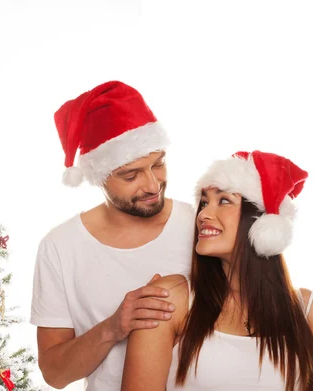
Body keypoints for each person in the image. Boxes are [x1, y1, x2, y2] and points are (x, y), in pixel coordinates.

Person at [121, 150, 313, 391]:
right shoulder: (170, 300)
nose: (203, 214)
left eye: (224, 200)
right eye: (204, 202)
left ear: (262, 222)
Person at [30, 80, 195, 390]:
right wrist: (113, 327)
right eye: (130, 175)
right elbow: (54, 374)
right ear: (99, 176)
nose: (151, 184)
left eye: (158, 164)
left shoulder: (201, 226)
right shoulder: (60, 247)